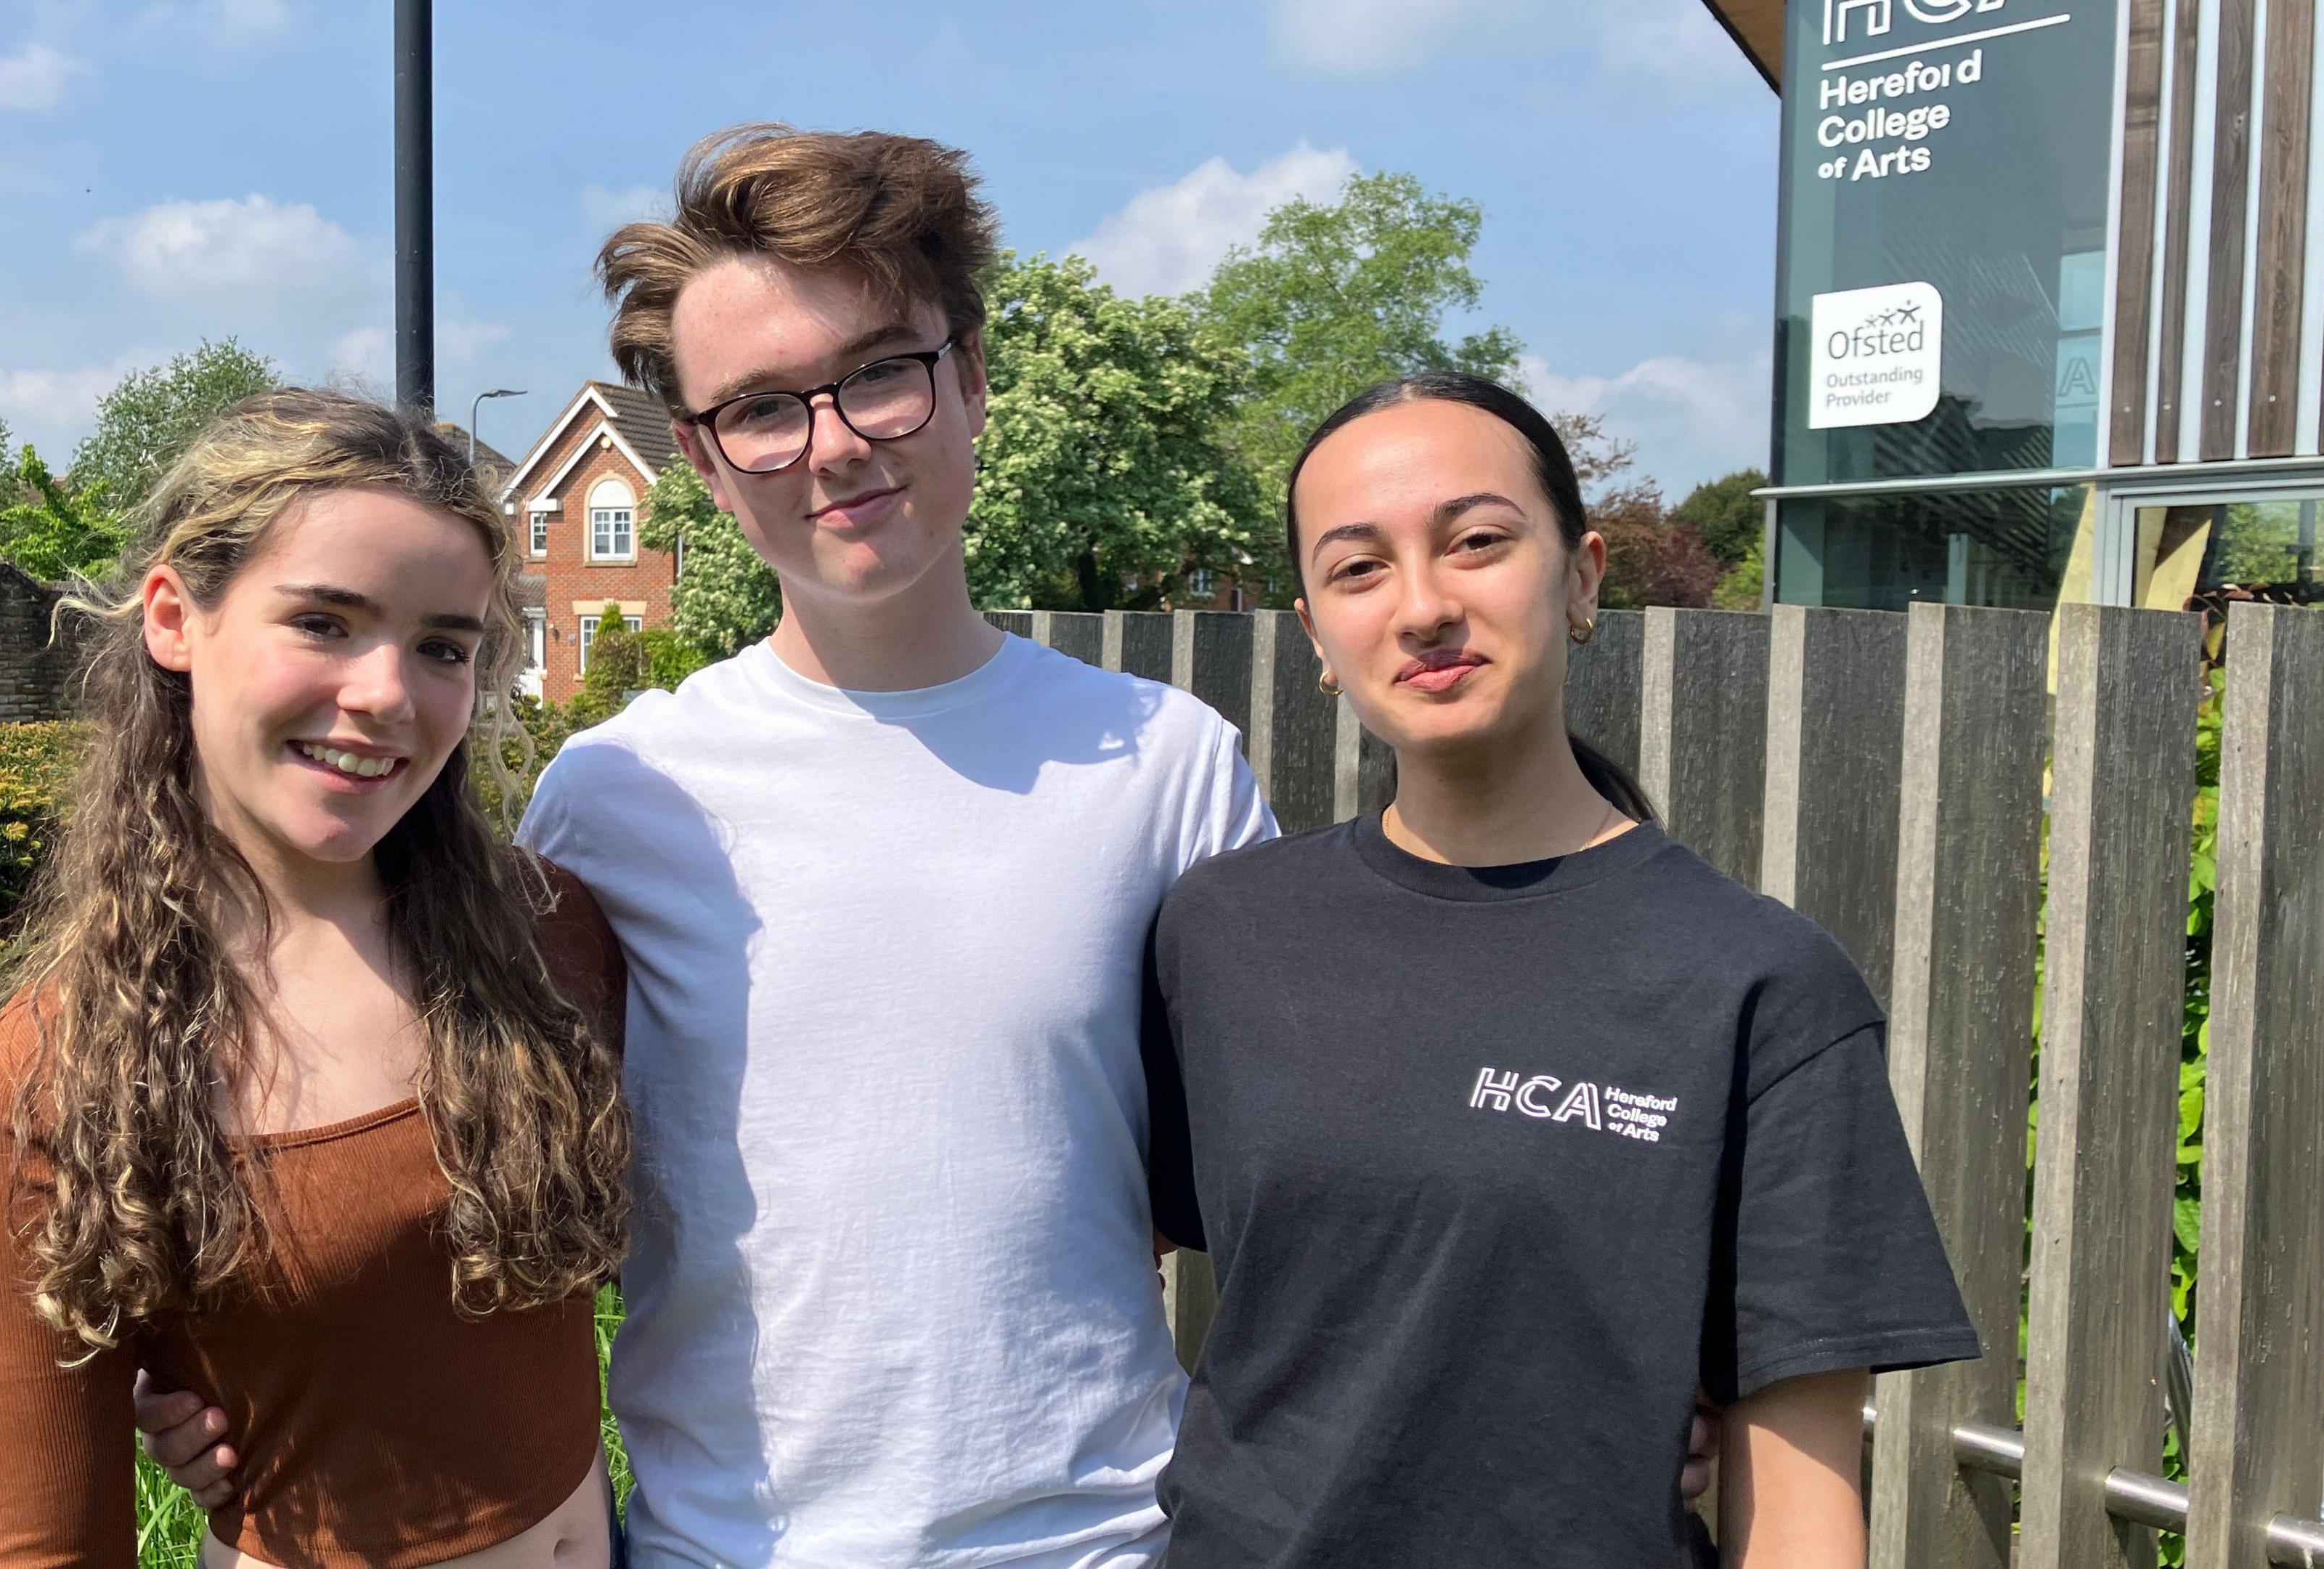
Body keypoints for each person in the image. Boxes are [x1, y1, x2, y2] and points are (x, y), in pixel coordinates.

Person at [137, 128, 1721, 1568]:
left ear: (967, 377)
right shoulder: (619, 798)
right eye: (759, 408)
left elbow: (1322, 1185)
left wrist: (1606, 1365)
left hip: (1107, 1543)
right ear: (695, 457)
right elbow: (470, 1184)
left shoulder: (1164, 768)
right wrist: (246, 1367)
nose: (831, 446)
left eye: (879, 373)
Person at [1137, 372, 1981, 1568]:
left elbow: (1797, 1509)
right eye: (1359, 568)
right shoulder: (1219, 935)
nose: (1424, 605)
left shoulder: (1758, 987)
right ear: (1317, 634)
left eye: (1477, 542)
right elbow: (1112, 1260)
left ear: (1582, 576)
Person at [0, 389, 634, 1569]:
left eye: (441, 646)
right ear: (173, 618)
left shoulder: (545, 934)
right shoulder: (45, 1083)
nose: (386, 695)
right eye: (323, 621)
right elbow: (45, 1550)